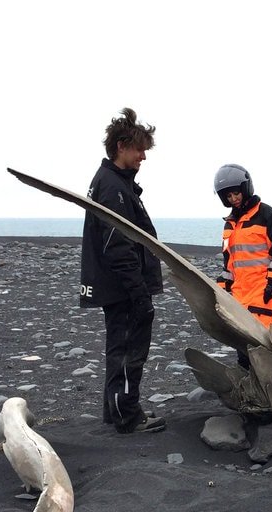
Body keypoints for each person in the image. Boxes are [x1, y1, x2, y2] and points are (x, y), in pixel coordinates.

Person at [79, 107, 164, 434]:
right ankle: (128, 415)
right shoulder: (113, 186)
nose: (144, 156)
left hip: (113, 287)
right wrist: (139, 293)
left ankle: (115, 412)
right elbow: (118, 245)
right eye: (140, 149)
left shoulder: (112, 182)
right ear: (121, 147)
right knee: (130, 349)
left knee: (118, 347)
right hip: (122, 287)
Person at [213, 164, 272, 367]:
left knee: (266, 342)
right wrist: (222, 288)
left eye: (236, 193)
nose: (234, 199)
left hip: (265, 290)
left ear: (245, 188)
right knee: (242, 342)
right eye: (229, 196)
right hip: (239, 292)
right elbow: (229, 261)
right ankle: (248, 387)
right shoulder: (230, 224)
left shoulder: (269, 216)